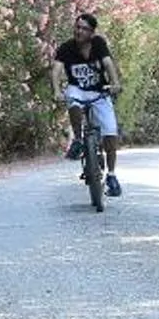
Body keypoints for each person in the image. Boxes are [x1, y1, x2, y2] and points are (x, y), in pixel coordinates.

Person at [50, 11, 123, 197]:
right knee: (72, 102)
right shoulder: (66, 48)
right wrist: (57, 91)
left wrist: (115, 84)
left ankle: (112, 176)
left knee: (110, 132)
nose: (79, 31)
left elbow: (108, 64)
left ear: (91, 32)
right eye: (77, 27)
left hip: (99, 91)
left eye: (84, 29)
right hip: (77, 89)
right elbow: (56, 71)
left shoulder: (98, 44)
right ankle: (78, 139)